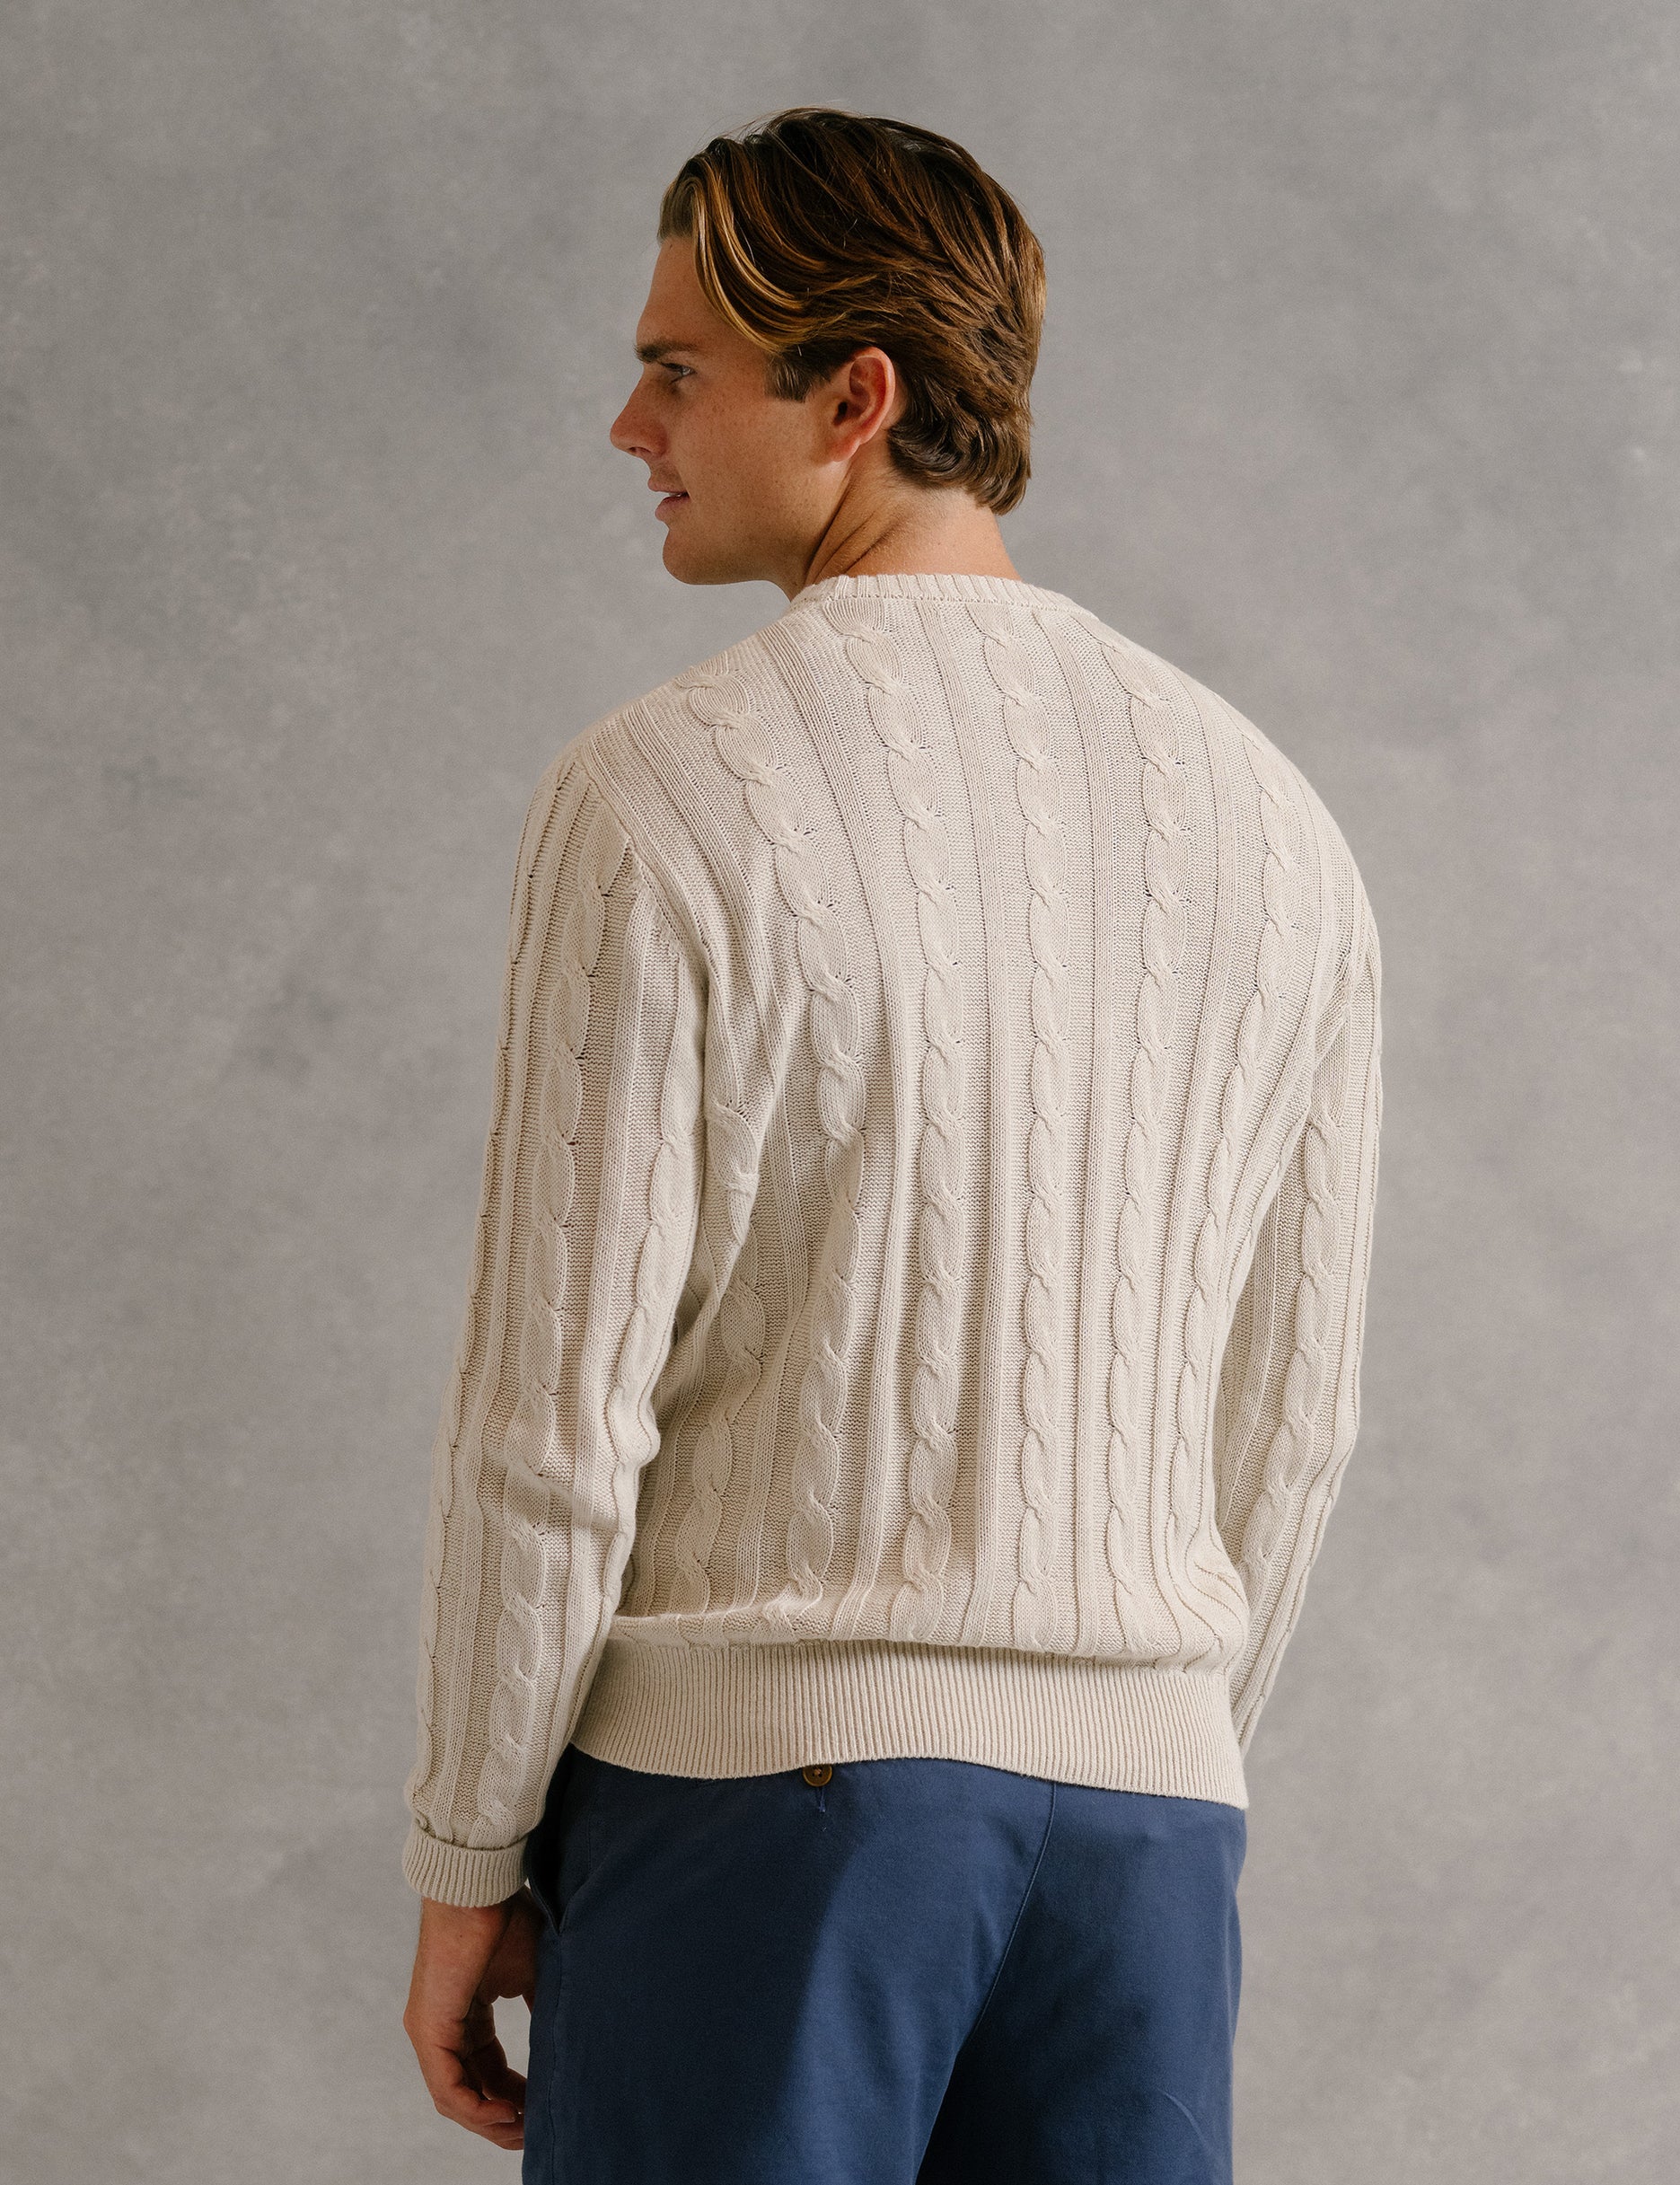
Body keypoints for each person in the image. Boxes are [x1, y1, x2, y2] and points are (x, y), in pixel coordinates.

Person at [400, 107, 1383, 2185]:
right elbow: (1291, 1421)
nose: (627, 423)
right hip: (1144, 1839)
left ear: (855, 397)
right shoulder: (1277, 824)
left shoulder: (661, 793)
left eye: (676, 370)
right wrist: (1138, 1744)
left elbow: (553, 1424)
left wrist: (469, 1848)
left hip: (762, 1815)